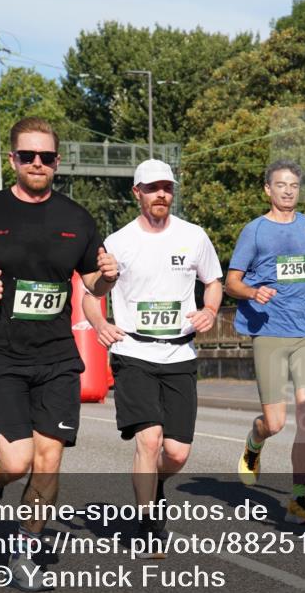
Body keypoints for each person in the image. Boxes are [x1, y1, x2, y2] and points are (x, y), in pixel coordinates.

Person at [0, 117, 118, 591]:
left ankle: (24, 550)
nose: (38, 164)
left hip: (56, 355)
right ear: (13, 159)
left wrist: (108, 278)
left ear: (57, 162)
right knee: (15, 462)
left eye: (47, 157)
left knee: (49, 459)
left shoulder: (75, 219)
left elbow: (91, 282)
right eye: (28, 156)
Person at [82, 159, 222, 556]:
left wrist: (210, 310)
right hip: (133, 351)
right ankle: (146, 525)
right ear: (137, 193)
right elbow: (90, 293)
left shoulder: (193, 237)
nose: (161, 194)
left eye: (167, 187)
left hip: (180, 352)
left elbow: (213, 282)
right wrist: (99, 324)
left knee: (176, 451)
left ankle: (154, 485)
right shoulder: (119, 241)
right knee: (149, 439)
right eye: (152, 188)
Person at [226, 159, 305, 525]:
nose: (288, 191)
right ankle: (255, 443)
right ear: (267, 189)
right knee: (275, 423)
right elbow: (232, 282)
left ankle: (298, 499)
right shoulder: (254, 231)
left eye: (294, 186)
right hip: (268, 332)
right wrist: (253, 292)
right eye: (281, 185)